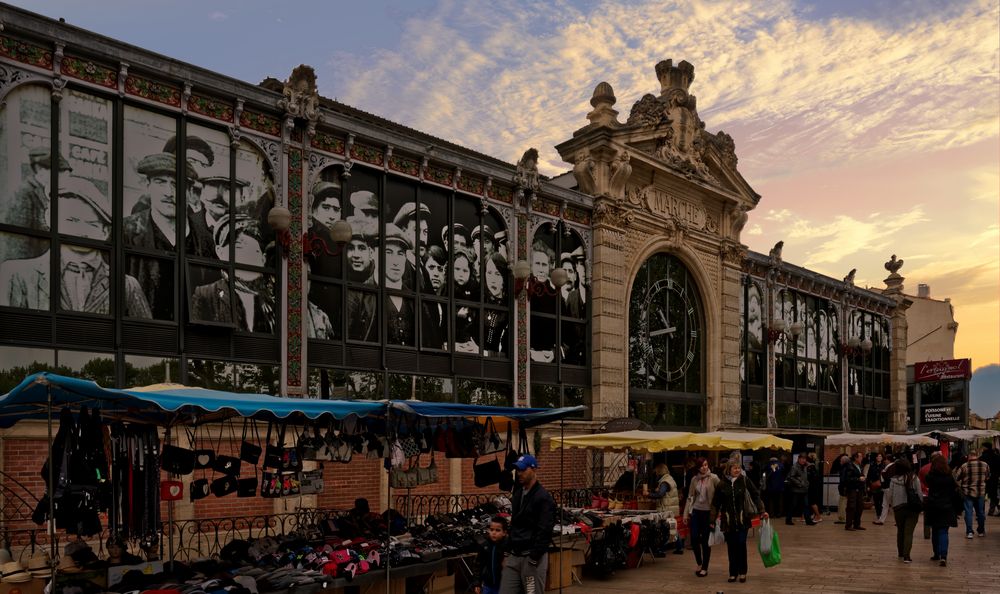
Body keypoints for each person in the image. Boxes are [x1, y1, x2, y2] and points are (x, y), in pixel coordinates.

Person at [1, 178, 152, 318]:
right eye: (71, 220)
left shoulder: (126, 286)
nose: (80, 231)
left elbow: (147, 342)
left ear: (105, 232)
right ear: (51, 221)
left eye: (91, 224)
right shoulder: (17, 276)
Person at [190, 216, 275, 332]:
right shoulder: (205, 295)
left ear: (263, 259)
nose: (247, 256)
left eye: (255, 250)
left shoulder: (272, 302)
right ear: (220, 252)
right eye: (238, 247)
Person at [500, 454, 555, 594]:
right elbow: (513, 524)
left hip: (531, 559)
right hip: (514, 556)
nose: (519, 473)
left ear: (534, 469)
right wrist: (507, 552)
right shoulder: (518, 494)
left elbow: (545, 530)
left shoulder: (543, 497)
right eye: (518, 470)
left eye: (523, 470)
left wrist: (534, 557)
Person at [711, 459, 766, 583]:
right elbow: (715, 503)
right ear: (729, 469)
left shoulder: (744, 481)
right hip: (728, 521)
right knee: (731, 547)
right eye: (734, 468)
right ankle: (732, 573)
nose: (737, 470)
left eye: (738, 468)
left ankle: (742, 572)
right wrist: (712, 519)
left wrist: (762, 510)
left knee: (741, 545)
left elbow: (755, 494)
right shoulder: (722, 484)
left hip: (743, 520)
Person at [684, 457, 719, 578]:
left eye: (706, 465)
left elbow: (719, 495)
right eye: (702, 466)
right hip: (696, 511)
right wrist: (685, 514)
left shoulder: (714, 478)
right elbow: (690, 497)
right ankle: (699, 562)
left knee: (705, 541)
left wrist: (717, 514)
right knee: (694, 538)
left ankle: (705, 567)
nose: (705, 467)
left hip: (707, 513)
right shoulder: (694, 479)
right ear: (698, 467)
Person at [884, 458, 922, 563]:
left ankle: (900, 552)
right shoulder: (914, 478)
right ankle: (907, 556)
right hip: (912, 508)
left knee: (900, 531)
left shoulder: (893, 480)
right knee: (908, 532)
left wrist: (892, 505)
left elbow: (890, 495)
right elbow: (919, 493)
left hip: (898, 508)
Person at [924, 453, 959, 566]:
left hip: (933, 506)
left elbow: (927, 481)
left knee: (935, 530)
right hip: (947, 506)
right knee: (944, 532)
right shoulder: (949, 478)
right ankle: (943, 556)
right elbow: (954, 492)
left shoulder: (930, 477)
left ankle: (936, 553)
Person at [383, 224, 415, 346]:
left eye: (400, 254)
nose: (395, 261)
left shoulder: (413, 299)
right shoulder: (363, 296)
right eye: (388, 252)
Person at [648, 463, 683, 555]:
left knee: (665, 529)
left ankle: (661, 549)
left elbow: (660, 494)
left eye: (656, 471)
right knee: (672, 527)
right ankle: (679, 547)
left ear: (659, 471)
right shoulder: (670, 479)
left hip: (666, 509)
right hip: (671, 508)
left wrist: (648, 495)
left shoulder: (664, 482)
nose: (655, 473)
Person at [953, 450, 989, 538]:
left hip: (967, 492)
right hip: (981, 492)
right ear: (977, 455)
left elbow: (957, 478)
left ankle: (969, 532)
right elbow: (987, 477)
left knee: (968, 512)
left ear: (969, 456)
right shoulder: (985, 465)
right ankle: (981, 531)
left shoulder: (964, 466)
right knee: (980, 512)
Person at [420, 246, 448, 350]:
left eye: (440, 269)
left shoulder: (445, 302)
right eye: (431, 267)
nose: (436, 273)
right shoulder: (421, 302)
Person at [482, 252, 509, 356]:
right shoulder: (481, 299)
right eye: (489, 273)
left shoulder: (508, 305)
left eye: (497, 274)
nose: (492, 280)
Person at [472, 516, 508, 594]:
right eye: (491, 530)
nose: (494, 533)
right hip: (488, 585)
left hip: (503, 585)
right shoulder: (484, 546)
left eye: (498, 530)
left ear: (504, 532)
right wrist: (477, 583)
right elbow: (478, 565)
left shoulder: (507, 547)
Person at [785, 453, 814, 525]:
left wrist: (806, 484)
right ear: (799, 459)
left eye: (805, 459)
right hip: (796, 490)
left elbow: (804, 477)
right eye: (802, 459)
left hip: (804, 490)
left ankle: (808, 521)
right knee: (793, 505)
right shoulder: (795, 467)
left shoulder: (804, 467)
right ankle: (788, 520)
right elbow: (791, 477)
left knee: (806, 505)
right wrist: (799, 484)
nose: (804, 460)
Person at [843, 452, 866, 531]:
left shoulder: (860, 466)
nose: (861, 458)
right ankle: (848, 525)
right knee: (851, 507)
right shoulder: (850, 466)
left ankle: (857, 524)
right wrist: (858, 479)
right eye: (860, 456)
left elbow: (861, 475)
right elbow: (847, 479)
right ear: (856, 458)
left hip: (859, 489)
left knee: (860, 507)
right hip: (852, 489)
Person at [867, 453, 887, 525]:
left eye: (880, 456)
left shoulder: (884, 466)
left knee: (882, 502)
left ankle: (881, 516)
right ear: (876, 458)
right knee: (876, 501)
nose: (879, 457)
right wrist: (868, 485)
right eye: (878, 456)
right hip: (874, 486)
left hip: (882, 486)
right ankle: (878, 515)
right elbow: (869, 476)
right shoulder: (872, 465)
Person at [980, 443, 1000, 516]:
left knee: (982, 495)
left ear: (985, 447)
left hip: (983, 479)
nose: (982, 448)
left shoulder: (982, 457)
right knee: (993, 495)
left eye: (983, 447)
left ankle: (981, 511)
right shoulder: (997, 457)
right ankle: (992, 510)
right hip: (994, 479)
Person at [806, 452, 824, 523]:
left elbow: (809, 479)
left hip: (811, 488)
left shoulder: (810, 468)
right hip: (815, 487)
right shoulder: (814, 468)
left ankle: (818, 516)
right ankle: (815, 515)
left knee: (812, 502)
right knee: (813, 502)